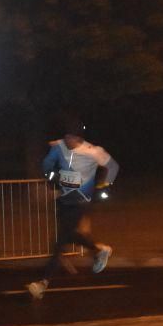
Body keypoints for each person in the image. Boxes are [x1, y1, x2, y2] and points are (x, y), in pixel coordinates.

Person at [27, 122, 119, 300]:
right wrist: (52, 177)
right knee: (68, 235)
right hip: (63, 200)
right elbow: (47, 166)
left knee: (59, 243)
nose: (67, 141)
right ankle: (98, 249)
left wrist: (104, 186)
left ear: (79, 138)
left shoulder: (93, 152)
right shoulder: (59, 146)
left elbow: (113, 167)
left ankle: (42, 283)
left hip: (80, 202)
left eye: (70, 138)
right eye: (65, 137)